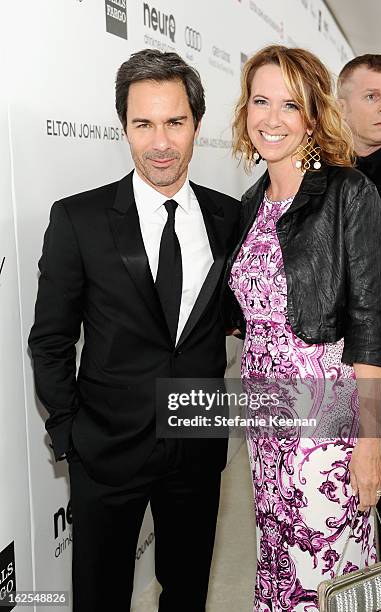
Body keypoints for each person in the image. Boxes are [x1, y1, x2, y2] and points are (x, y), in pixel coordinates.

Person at [28, 49, 239, 612]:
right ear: (123, 126)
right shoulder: (79, 219)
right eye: (143, 124)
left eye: (174, 122)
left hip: (196, 442)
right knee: (100, 598)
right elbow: (49, 340)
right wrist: (72, 433)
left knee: (188, 591)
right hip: (106, 450)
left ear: (197, 123)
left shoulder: (229, 218)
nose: (160, 142)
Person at [227, 45, 381, 612]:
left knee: (326, 576)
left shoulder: (348, 191)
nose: (272, 118)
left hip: (327, 425)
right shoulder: (250, 204)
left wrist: (370, 443)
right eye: (260, 101)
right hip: (267, 421)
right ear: (245, 110)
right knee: (277, 561)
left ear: (314, 115)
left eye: (290, 105)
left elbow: (369, 323)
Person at [338, 54, 381, 608]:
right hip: (325, 381)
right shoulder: (315, 177)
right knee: (336, 529)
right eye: (372, 96)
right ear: (342, 104)